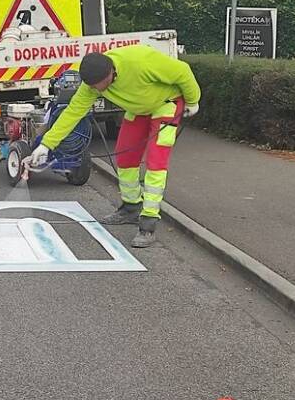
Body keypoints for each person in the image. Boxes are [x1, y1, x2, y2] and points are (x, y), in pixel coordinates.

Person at [28, 46, 201, 248]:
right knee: (125, 158)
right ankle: (131, 208)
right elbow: (72, 113)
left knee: (156, 161)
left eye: (100, 85)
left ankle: (148, 223)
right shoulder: (91, 84)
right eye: (92, 86)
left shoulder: (139, 62)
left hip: (166, 104)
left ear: (111, 72)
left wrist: (192, 100)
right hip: (138, 109)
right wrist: (46, 145)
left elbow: (182, 71)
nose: (97, 90)